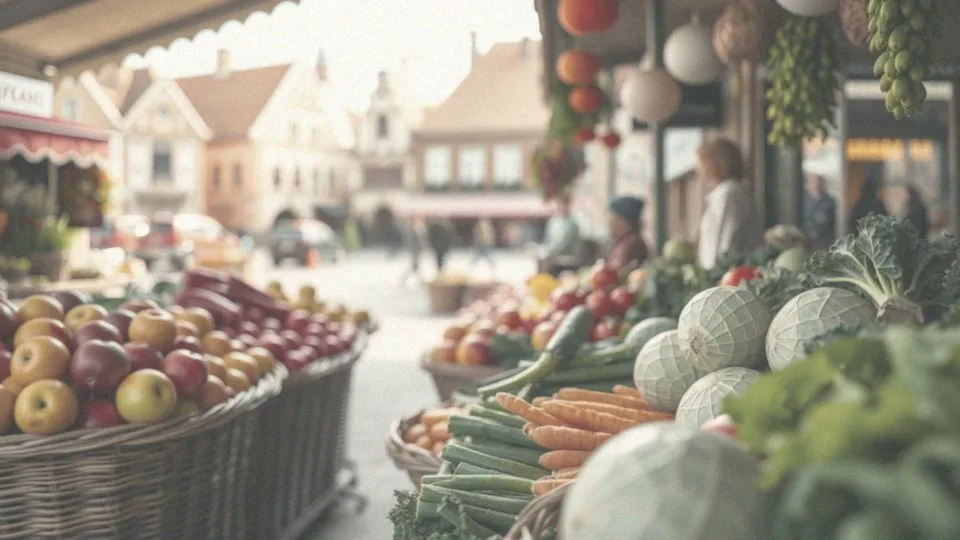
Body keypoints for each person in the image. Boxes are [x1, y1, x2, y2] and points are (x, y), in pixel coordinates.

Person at [695, 137, 762, 270]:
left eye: (701, 162)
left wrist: (716, 274)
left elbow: (725, 240)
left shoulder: (729, 194)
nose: (698, 168)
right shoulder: (725, 193)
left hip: (727, 274)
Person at [540, 193, 582, 276]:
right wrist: (544, 250)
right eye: (559, 204)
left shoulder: (573, 223)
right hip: (552, 257)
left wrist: (550, 252)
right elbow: (547, 240)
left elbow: (565, 243)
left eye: (563, 204)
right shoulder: (553, 221)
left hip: (568, 261)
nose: (561, 206)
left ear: (568, 205)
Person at [606, 196, 649, 272]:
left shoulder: (630, 245)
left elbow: (617, 272)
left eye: (612, 219)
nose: (608, 223)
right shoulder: (623, 242)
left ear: (623, 221)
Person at [802, 174, 837, 250]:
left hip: (825, 242)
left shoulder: (830, 202)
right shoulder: (803, 201)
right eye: (813, 182)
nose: (816, 185)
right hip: (807, 242)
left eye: (819, 182)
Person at [399, 219, 425, 286]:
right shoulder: (412, 232)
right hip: (415, 251)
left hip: (416, 251)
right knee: (414, 266)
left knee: (415, 267)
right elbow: (412, 242)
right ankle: (420, 280)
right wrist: (416, 248)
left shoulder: (413, 231)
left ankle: (420, 280)